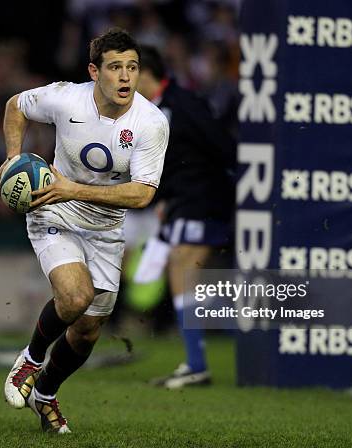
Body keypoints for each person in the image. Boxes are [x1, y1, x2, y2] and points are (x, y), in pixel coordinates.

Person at [0, 29, 169, 433]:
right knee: (75, 297)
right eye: (115, 68)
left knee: (88, 330)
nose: (126, 77)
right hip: (54, 211)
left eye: (132, 67)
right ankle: (31, 360)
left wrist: (73, 188)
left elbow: (143, 194)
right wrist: (11, 158)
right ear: (95, 72)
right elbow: (15, 106)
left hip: (105, 226)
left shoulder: (151, 123)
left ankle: (46, 394)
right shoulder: (65, 97)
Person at [136, 46, 235, 389]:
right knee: (180, 271)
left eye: (129, 71)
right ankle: (195, 362)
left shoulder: (183, 104)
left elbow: (222, 145)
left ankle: (198, 363)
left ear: (144, 73)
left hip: (203, 200)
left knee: (182, 264)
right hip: (182, 201)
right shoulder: (155, 110)